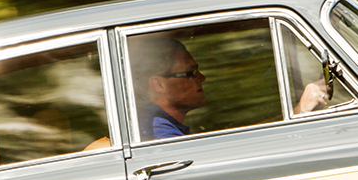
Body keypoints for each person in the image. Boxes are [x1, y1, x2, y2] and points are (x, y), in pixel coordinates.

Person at [131, 34, 333, 141]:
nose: (202, 77)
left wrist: (296, 112)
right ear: (158, 84)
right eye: (191, 72)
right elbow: (207, 163)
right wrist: (301, 112)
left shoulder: (161, 125)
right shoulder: (157, 130)